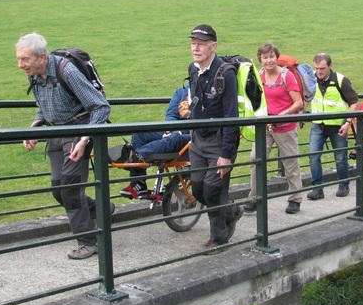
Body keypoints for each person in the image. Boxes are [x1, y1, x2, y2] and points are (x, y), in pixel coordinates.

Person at [16, 33, 111, 260]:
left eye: (25, 59)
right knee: (58, 188)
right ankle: (100, 210)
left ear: (41, 57)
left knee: (69, 188)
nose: (20, 65)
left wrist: (84, 139)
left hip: (78, 132)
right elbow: (44, 105)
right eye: (19, 59)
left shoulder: (66, 71)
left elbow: (101, 107)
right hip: (55, 134)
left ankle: (88, 242)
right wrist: (36, 126)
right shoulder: (35, 75)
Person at [187, 24, 243, 249]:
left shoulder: (225, 73)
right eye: (193, 43)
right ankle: (231, 211)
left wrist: (226, 154)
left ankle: (218, 238)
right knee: (198, 188)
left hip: (218, 141)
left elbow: (232, 115)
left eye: (201, 44)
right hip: (198, 140)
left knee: (213, 189)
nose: (196, 48)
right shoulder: (193, 69)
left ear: (213, 46)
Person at [244, 42, 304, 215]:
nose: (269, 60)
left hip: (285, 126)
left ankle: (295, 199)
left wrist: (282, 115)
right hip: (265, 126)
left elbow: (298, 103)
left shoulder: (287, 76)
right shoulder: (259, 75)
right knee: (256, 159)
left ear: (277, 57)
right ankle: (255, 198)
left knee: (290, 163)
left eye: (271, 56)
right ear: (260, 59)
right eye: (265, 57)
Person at [119, 86, 191, 199]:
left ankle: (135, 156)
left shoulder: (204, 91)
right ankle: (139, 182)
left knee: (174, 138)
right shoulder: (181, 92)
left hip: (193, 135)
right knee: (140, 133)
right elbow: (171, 114)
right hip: (173, 131)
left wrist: (178, 131)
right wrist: (170, 129)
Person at [307, 53, 359, 200]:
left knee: (340, 158)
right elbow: (306, 96)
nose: (319, 71)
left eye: (322, 68)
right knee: (313, 156)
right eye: (316, 68)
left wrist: (348, 122)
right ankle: (317, 189)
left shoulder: (341, 80)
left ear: (330, 66)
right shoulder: (311, 80)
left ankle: (343, 185)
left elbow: (354, 102)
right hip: (318, 125)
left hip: (338, 126)